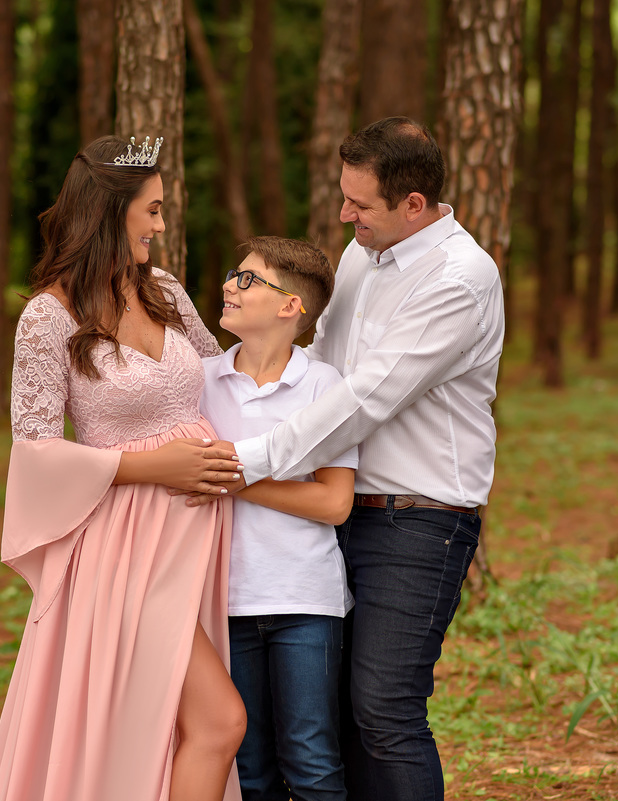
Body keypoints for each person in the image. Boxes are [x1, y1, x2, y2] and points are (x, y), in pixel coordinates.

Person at [219, 117, 505, 800]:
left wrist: (245, 460)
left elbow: (366, 398)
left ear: (414, 203)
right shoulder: (361, 254)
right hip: (338, 512)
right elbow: (323, 367)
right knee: (337, 718)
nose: (346, 215)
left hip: (418, 521)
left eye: (360, 204)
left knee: (384, 709)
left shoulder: (459, 278)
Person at [0, 135, 245, 801]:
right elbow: (36, 452)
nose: (162, 224)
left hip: (192, 540)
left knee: (166, 725)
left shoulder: (165, 292)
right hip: (123, 552)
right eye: (151, 210)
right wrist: (154, 466)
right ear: (108, 211)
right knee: (218, 720)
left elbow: (224, 380)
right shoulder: (48, 317)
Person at [197, 237, 358, 801]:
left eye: (248, 279)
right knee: (249, 767)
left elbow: (335, 503)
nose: (229, 286)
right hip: (223, 602)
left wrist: (240, 480)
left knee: (311, 759)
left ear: (291, 305)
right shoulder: (198, 381)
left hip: (305, 601)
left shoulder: (324, 385)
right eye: (232, 274)